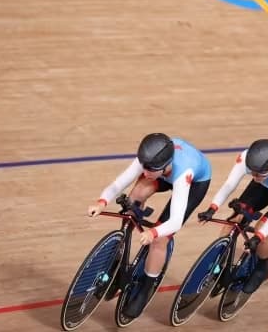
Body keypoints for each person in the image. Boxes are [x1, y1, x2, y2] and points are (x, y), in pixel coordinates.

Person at [87, 133, 212, 318]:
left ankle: (145, 288)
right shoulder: (148, 160)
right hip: (164, 173)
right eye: (143, 167)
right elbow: (118, 183)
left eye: (150, 170)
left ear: (164, 165)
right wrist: (101, 202)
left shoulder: (183, 172)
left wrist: (153, 232)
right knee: (135, 195)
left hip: (195, 182)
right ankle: (119, 261)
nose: (144, 173)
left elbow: (175, 221)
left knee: (160, 239)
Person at [197, 138, 268, 294]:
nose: (255, 176)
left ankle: (262, 268)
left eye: (260, 173)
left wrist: (258, 237)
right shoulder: (246, 158)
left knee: (262, 230)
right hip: (265, 185)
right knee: (234, 220)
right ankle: (219, 263)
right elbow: (229, 184)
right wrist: (212, 208)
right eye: (252, 172)